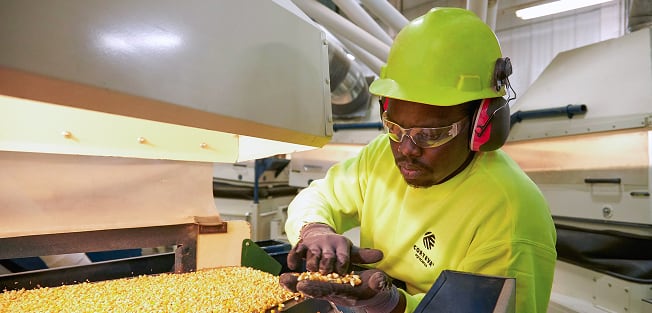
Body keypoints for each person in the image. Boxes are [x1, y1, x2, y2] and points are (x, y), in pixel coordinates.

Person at [280, 7, 557, 313]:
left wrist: (394, 305)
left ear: (482, 125)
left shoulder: (510, 215)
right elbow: (320, 195)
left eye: (430, 134)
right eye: (395, 127)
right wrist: (316, 230)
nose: (407, 148)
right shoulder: (381, 156)